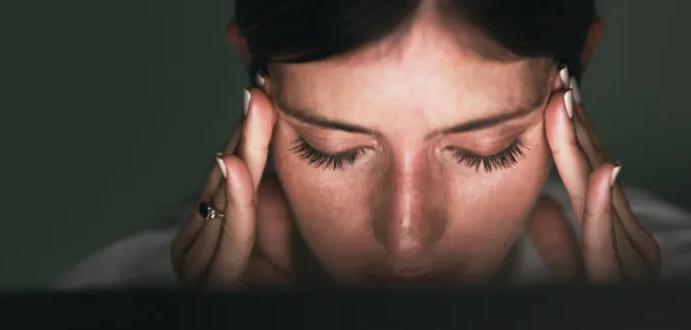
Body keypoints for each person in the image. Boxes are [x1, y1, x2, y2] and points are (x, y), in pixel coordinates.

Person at [55, 0, 691, 290]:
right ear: (257, 79)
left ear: (572, 80)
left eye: (485, 150)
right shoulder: (121, 299)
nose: (406, 234)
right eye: (331, 150)